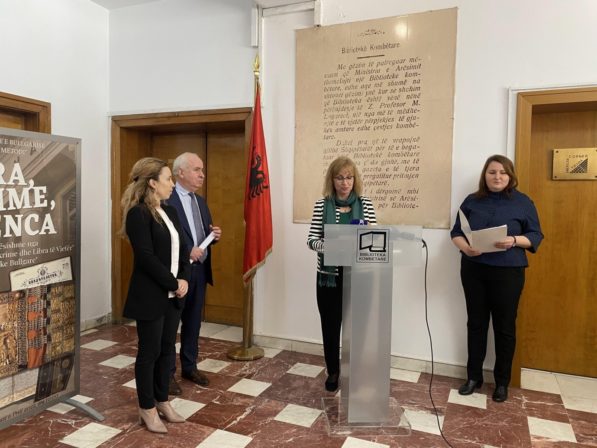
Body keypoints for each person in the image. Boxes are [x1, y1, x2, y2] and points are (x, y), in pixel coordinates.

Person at [451, 154, 543, 402]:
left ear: (510, 176)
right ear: (485, 175)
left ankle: (502, 382)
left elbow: (535, 235)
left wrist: (513, 240)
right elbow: (457, 232)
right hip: (474, 269)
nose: (497, 177)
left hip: (508, 272)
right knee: (476, 324)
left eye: (502, 172)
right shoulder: (472, 201)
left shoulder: (523, 202)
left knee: (504, 327)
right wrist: (465, 248)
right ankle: (473, 377)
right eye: (492, 172)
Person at [120, 157, 190, 433]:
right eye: (168, 178)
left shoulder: (170, 211)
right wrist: (173, 282)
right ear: (152, 183)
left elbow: (183, 248)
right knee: (148, 352)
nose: (172, 183)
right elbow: (146, 258)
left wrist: (183, 277)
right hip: (151, 294)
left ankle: (162, 400)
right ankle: (146, 408)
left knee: (166, 350)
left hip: (174, 294)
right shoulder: (138, 214)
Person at [307, 156, 377, 392]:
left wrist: (366, 235)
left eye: (349, 177)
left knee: (357, 326)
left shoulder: (365, 204)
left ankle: (355, 370)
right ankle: (333, 371)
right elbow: (312, 241)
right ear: (332, 180)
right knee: (331, 325)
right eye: (339, 177)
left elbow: (374, 239)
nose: (345, 182)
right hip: (329, 278)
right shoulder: (322, 204)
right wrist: (332, 247)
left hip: (359, 276)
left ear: (354, 179)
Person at [166, 152, 221, 394]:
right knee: (169, 327)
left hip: (199, 272)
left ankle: (189, 366)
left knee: (193, 323)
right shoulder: (166, 200)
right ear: (180, 172)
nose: (202, 175)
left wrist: (213, 236)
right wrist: (189, 251)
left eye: (202, 170)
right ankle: (166, 374)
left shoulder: (200, 201)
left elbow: (200, 235)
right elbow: (165, 237)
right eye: (197, 170)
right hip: (177, 274)